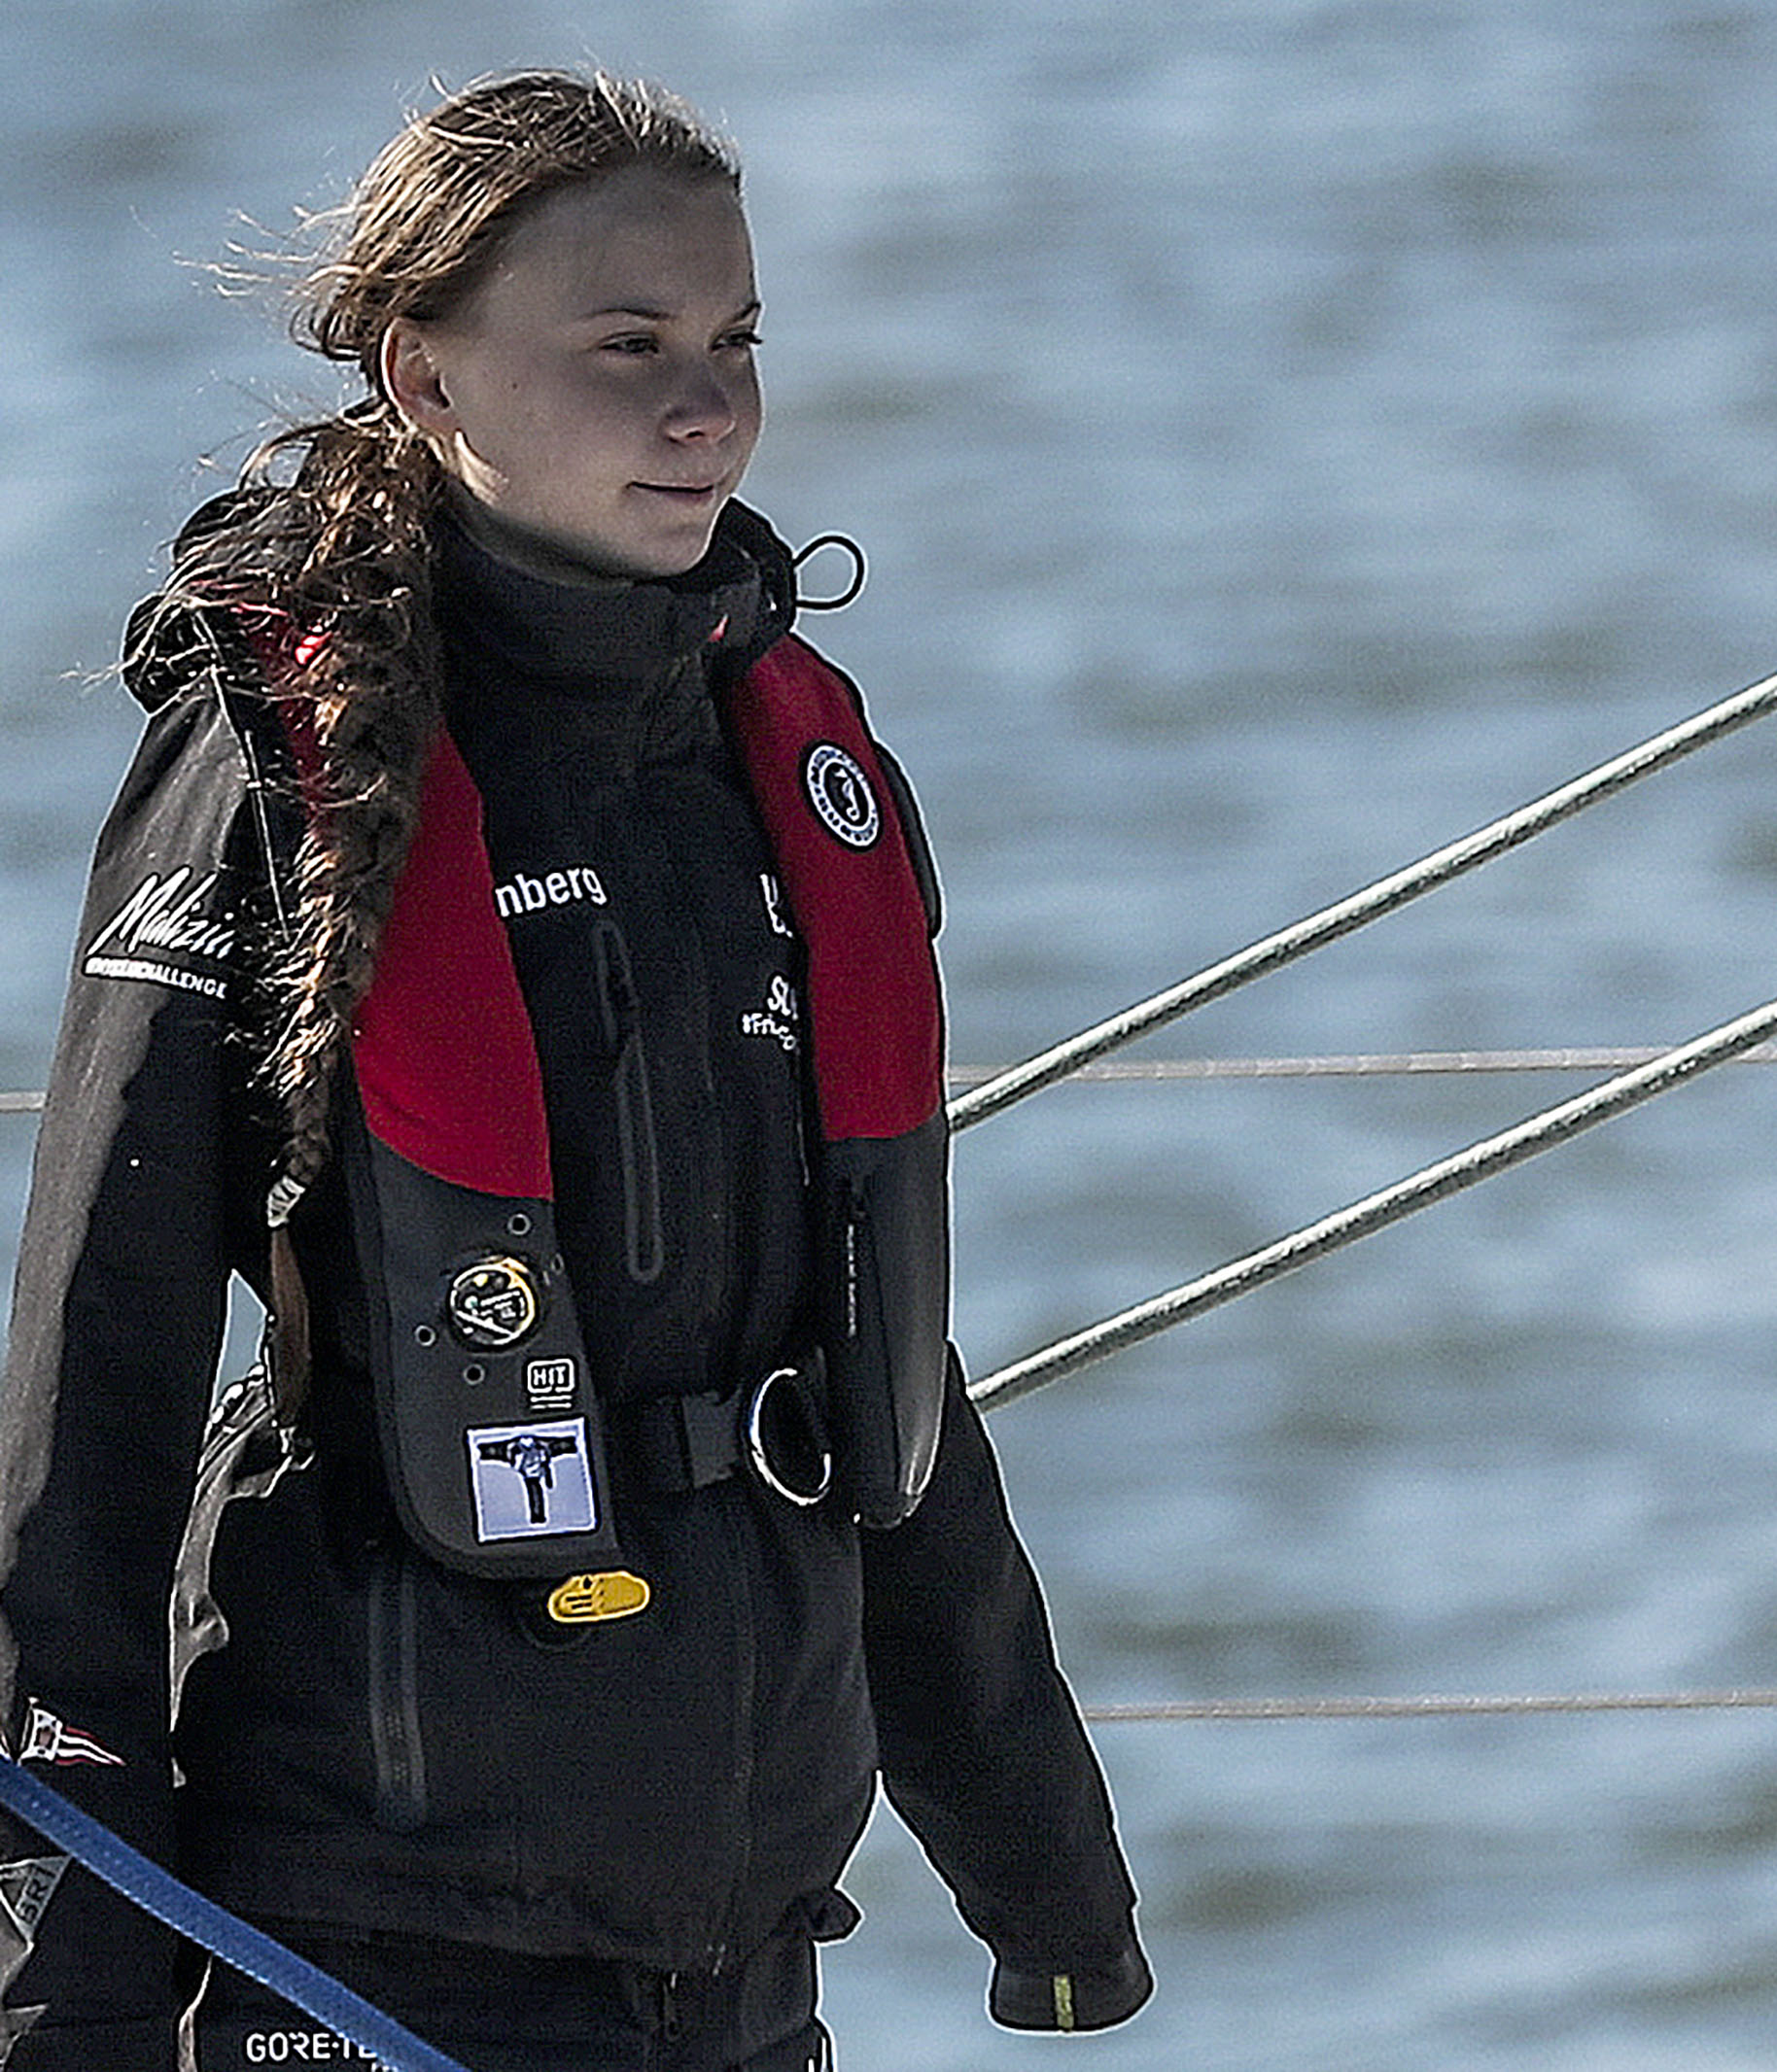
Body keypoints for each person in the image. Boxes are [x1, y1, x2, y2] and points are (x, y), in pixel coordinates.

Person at [0, 70, 1149, 2069]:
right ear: (423, 369)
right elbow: (89, 1398)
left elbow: (878, 1377)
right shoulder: (272, 768)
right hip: (365, 1928)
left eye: (733, 341)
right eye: (627, 346)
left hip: (746, 1941)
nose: (704, 405)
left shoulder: (785, 774)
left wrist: (1047, 1873)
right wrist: (66, 1985)